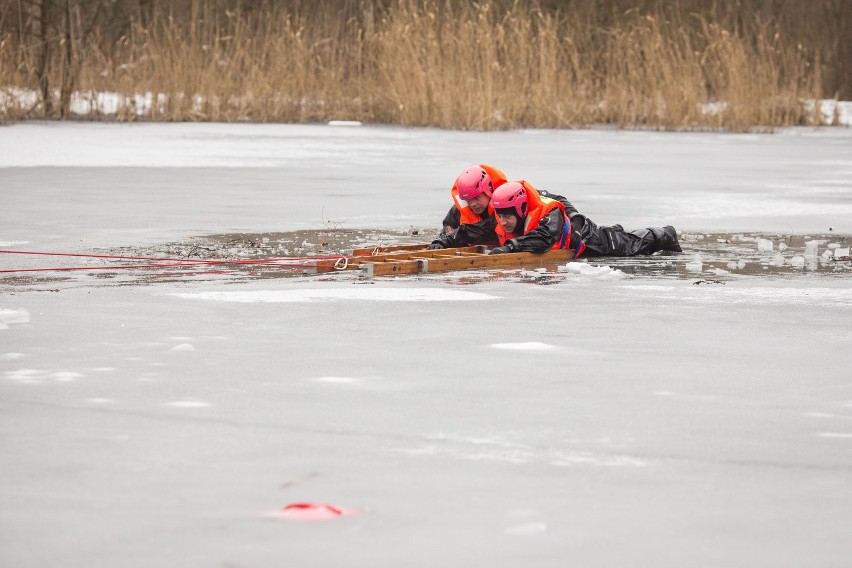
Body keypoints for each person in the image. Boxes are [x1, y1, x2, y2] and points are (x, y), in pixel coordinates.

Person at [489, 180, 681, 256]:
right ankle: (615, 230)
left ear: (520, 209)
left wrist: (510, 247)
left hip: (591, 241)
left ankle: (665, 234)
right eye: (500, 217)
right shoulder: (517, 207)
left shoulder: (550, 215)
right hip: (579, 235)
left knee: (632, 246)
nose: (503, 222)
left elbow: (544, 238)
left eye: (507, 217)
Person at [429, 165, 579, 250]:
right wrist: (443, 241)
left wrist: (573, 216)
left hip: (523, 239)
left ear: (488, 190)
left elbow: (549, 200)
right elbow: (452, 229)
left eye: (476, 197)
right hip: (499, 239)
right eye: (468, 200)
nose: (473, 204)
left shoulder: (510, 196)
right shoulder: (460, 211)